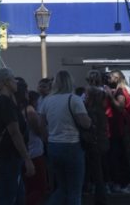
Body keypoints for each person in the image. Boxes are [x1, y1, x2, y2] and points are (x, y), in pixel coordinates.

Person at [39, 70, 91, 205]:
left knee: (62, 188)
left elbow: (41, 125)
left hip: (53, 146)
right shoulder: (74, 99)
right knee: (74, 190)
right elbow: (85, 123)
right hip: (71, 145)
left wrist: (48, 140)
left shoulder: (47, 101)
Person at [0, 67, 34, 205]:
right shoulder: (4, 102)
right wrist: (27, 159)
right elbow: (14, 132)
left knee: (17, 197)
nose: (16, 82)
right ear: (6, 82)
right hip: (9, 158)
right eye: (13, 79)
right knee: (9, 198)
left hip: (7, 158)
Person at [83, 70, 110, 205]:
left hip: (94, 141)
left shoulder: (90, 110)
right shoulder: (101, 108)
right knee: (99, 168)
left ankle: (100, 196)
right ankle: (100, 193)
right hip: (102, 140)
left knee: (96, 169)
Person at [23, 89, 48, 205]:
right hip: (34, 154)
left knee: (29, 188)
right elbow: (39, 131)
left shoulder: (20, 110)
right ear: (33, 101)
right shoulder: (31, 112)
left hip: (27, 153)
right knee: (39, 188)